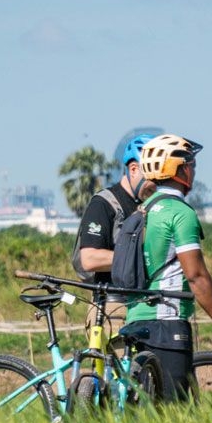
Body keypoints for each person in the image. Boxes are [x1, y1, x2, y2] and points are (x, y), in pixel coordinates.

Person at [124, 133, 212, 402]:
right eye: (191, 165)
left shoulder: (142, 210)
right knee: (174, 414)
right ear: (179, 169)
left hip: (135, 319)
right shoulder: (180, 213)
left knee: (142, 409)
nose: (194, 170)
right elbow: (197, 276)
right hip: (167, 321)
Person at [72, 132, 154, 324]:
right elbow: (89, 259)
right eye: (153, 178)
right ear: (133, 169)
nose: (156, 186)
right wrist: (139, 258)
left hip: (143, 304)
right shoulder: (104, 204)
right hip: (111, 307)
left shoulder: (149, 203)